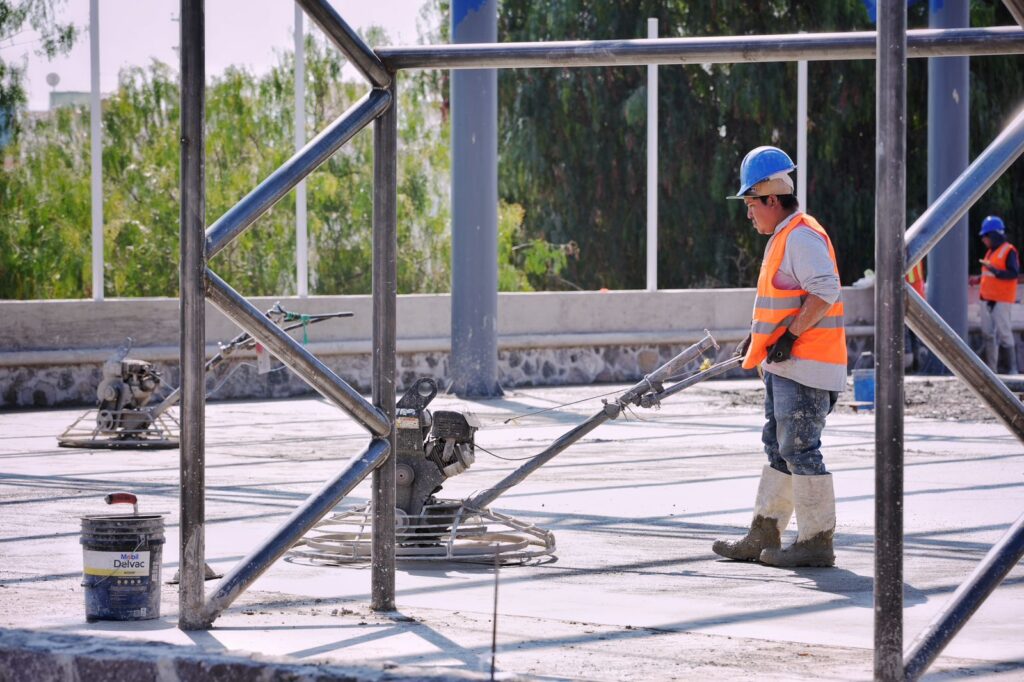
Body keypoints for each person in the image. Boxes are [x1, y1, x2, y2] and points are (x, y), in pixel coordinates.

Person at [713, 146, 846, 568]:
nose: (749, 214)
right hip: (786, 365)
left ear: (772, 199)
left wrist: (790, 336)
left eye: (751, 204)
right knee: (778, 448)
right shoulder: (783, 238)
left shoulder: (801, 236)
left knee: (800, 448)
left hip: (808, 366)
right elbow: (780, 303)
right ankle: (764, 532)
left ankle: (816, 540)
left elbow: (826, 290)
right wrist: (757, 342)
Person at [978, 215, 1019, 374]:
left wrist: (995, 271)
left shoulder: (1009, 251)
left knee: (1004, 335)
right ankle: (991, 371)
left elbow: (1013, 273)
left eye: (985, 236)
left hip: (1002, 300)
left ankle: (1010, 370)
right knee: (988, 335)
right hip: (987, 299)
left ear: (994, 235)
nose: (983, 240)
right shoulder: (990, 252)